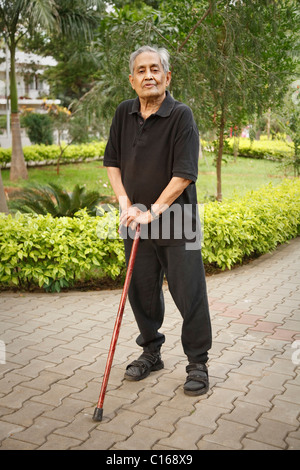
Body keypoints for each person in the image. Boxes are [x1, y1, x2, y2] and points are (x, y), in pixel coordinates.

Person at [103, 45, 212, 396]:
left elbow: (184, 174)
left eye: (155, 69)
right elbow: (113, 162)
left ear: (167, 76)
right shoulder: (123, 113)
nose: (148, 75)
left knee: (189, 292)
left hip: (177, 217)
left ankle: (197, 362)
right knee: (141, 292)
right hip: (135, 218)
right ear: (132, 79)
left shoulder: (181, 115)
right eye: (141, 70)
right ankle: (151, 352)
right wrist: (125, 204)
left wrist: (153, 211)